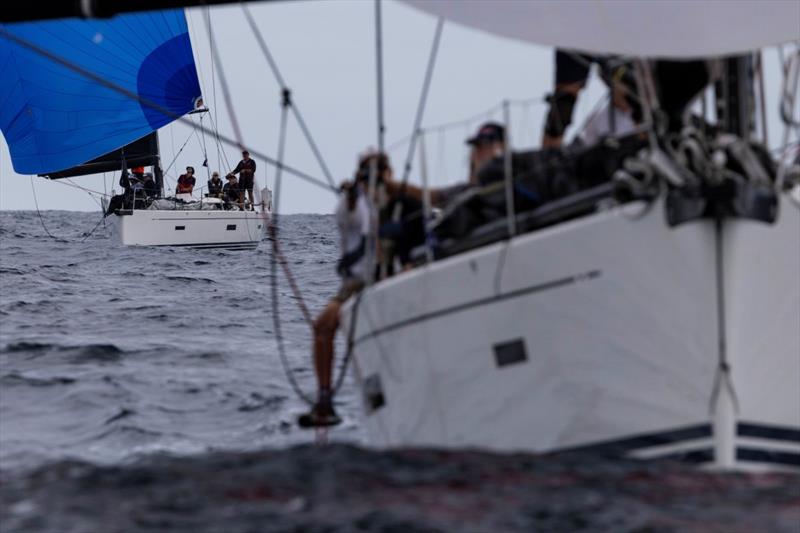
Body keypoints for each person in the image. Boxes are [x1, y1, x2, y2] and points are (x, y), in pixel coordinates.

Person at [298, 153, 387, 428]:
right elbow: (359, 226)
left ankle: (325, 400)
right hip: (353, 284)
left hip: (366, 282)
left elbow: (372, 241)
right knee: (322, 328)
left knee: (323, 327)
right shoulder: (357, 204)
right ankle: (324, 399)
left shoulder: (377, 203)